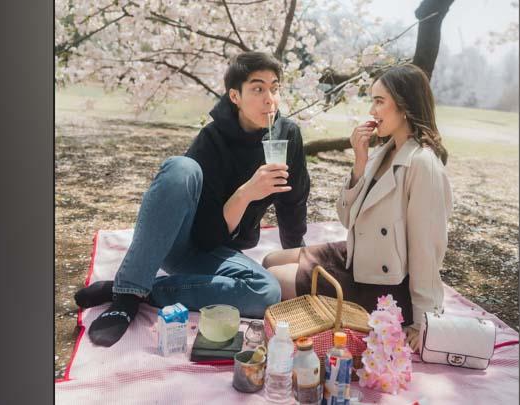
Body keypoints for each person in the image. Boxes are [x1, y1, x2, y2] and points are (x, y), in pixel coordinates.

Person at [74, 51, 310, 347]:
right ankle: (127, 294)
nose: (269, 99)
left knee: (266, 292)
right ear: (235, 96)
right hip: (179, 241)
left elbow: (293, 201)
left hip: (219, 251)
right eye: (258, 89)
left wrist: (299, 259)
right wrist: (246, 193)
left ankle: (138, 290)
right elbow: (205, 232)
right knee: (181, 168)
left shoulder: (287, 134)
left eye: (274, 88)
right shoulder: (212, 140)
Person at [263, 64, 452, 352]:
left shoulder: (423, 164)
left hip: (384, 284)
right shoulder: (383, 152)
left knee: (274, 280)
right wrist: (360, 162)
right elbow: (346, 217)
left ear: (405, 106)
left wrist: (423, 320)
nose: (372, 111)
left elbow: (427, 247)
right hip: (355, 254)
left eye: (379, 101)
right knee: (270, 260)